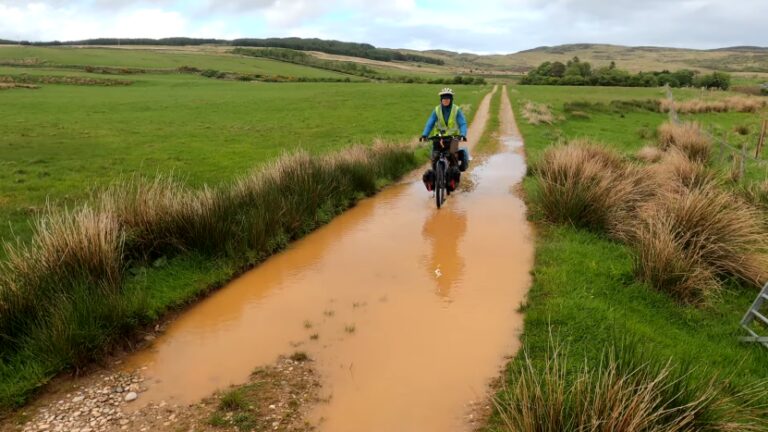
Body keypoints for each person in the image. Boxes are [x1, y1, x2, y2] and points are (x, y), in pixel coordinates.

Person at [419, 88, 470, 192]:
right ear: (441, 100)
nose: (445, 100)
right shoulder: (437, 110)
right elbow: (430, 122)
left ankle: (453, 178)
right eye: (443, 99)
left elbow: (462, 123)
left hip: (453, 138)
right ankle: (435, 179)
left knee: (452, 155)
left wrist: (463, 134)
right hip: (439, 138)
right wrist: (425, 134)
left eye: (447, 99)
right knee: (434, 157)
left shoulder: (456, 110)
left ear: (451, 99)